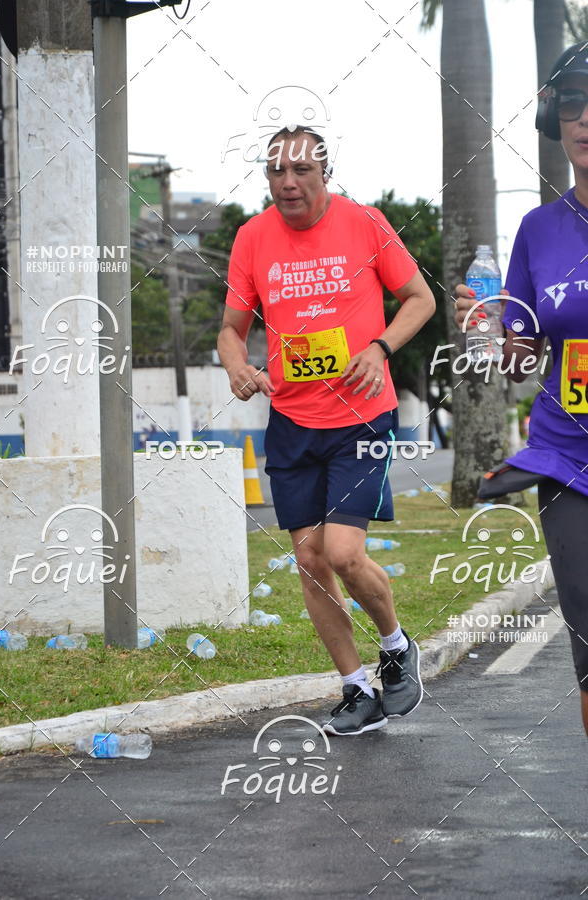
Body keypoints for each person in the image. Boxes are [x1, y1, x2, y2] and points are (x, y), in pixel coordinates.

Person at [217, 125, 435, 735]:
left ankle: (395, 646)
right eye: (276, 171)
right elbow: (231, 328)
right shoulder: (252, 238)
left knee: (343, 552)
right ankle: (355, 689)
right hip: (291, 419)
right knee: (311, 560)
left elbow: (419, 298)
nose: (288, 182)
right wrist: (238, 366)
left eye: (301, 171)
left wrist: (380, 347)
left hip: (362, 414)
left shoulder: (365, 224)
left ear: (324, 173)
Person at [455, 42, 588, 736]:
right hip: (568, 461)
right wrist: (484, 328)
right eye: (572, 104)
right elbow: (517, 359)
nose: (585, 118)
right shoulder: (539, 231)